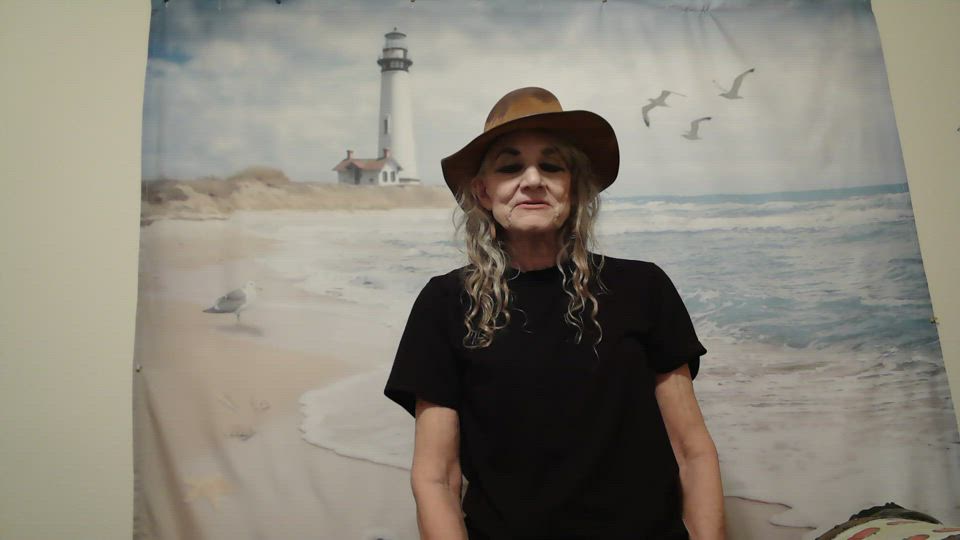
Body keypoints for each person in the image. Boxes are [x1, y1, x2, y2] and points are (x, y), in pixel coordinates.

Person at [383, 87, 725, 540]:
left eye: (551, 166)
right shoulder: (445, 302)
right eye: (510, 167)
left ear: (574, 187)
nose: (532, 180)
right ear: (483, 191)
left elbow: (692, 451)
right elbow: (436, 478)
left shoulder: (644, 288)